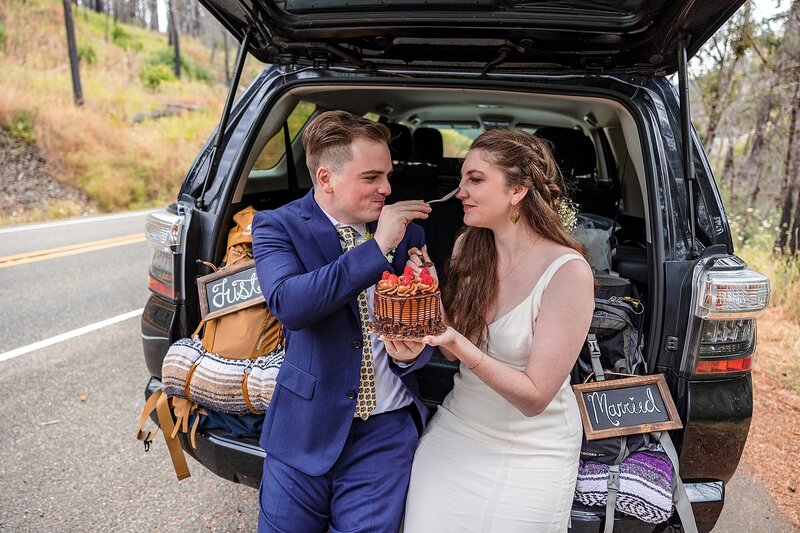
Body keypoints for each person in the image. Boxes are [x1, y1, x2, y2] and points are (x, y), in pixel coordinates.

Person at [402, 127, 595, 532]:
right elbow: (451, 352)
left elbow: (535, 398)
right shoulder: (466, 249)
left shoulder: (568, 273)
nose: (460, 192)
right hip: (459, 429)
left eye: (475, 180)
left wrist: (455, 340)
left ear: (517, 191)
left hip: (533, 451)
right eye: (461, 180)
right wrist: (430, 291)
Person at [251, 110, 434, 532]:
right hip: (303, 427)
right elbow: (291, 304)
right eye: (371, 177)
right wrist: (379, 246)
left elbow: (425, 323)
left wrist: (410, 357)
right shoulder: (277, 226)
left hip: (385, 432)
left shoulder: (410, 235)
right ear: (325, 178)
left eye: (388, 175)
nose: (387, 189)